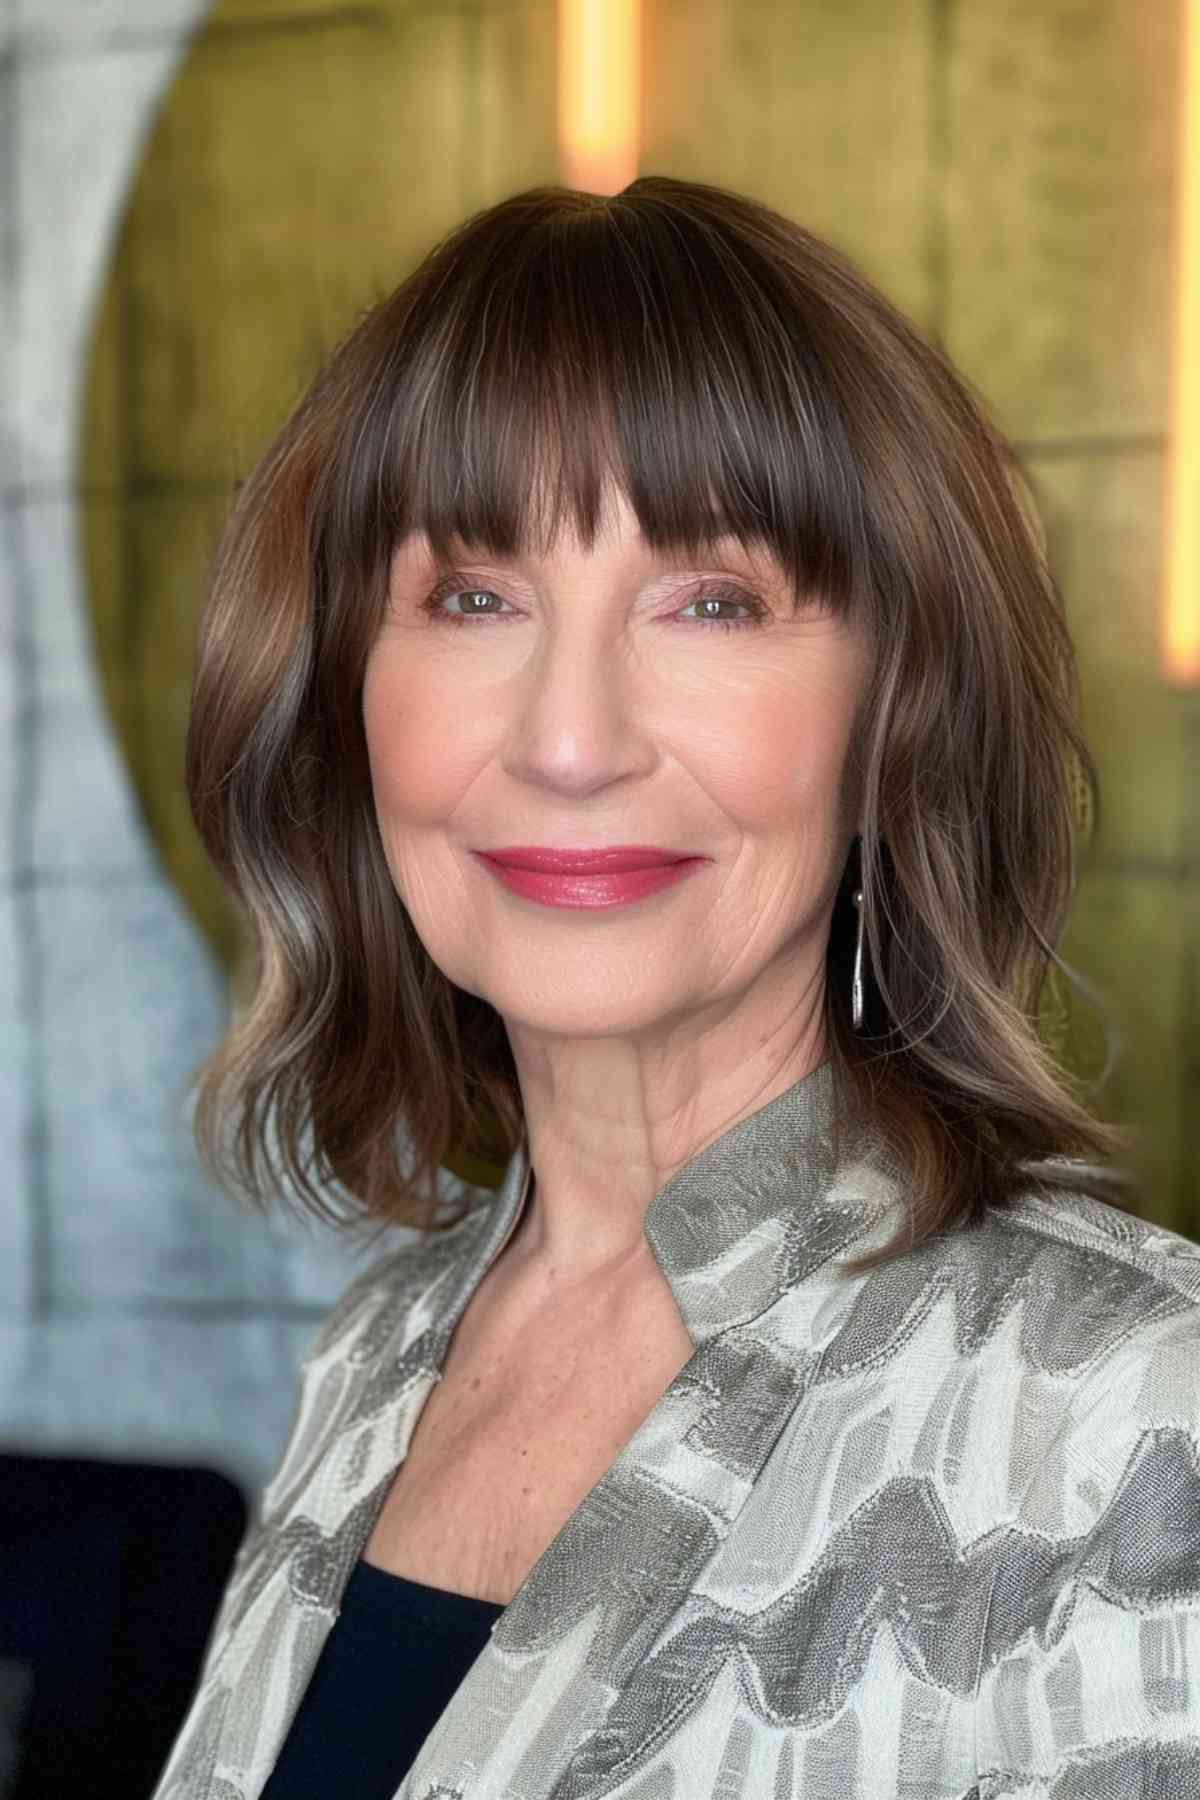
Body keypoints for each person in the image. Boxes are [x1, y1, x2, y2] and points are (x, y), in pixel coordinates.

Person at [151, 176, 1200, 1800]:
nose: (571, 741)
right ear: (346, 698)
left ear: (897, 716)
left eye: (713, 601)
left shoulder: (1131, 1416)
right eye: (474, 597)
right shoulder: (383, 1346)